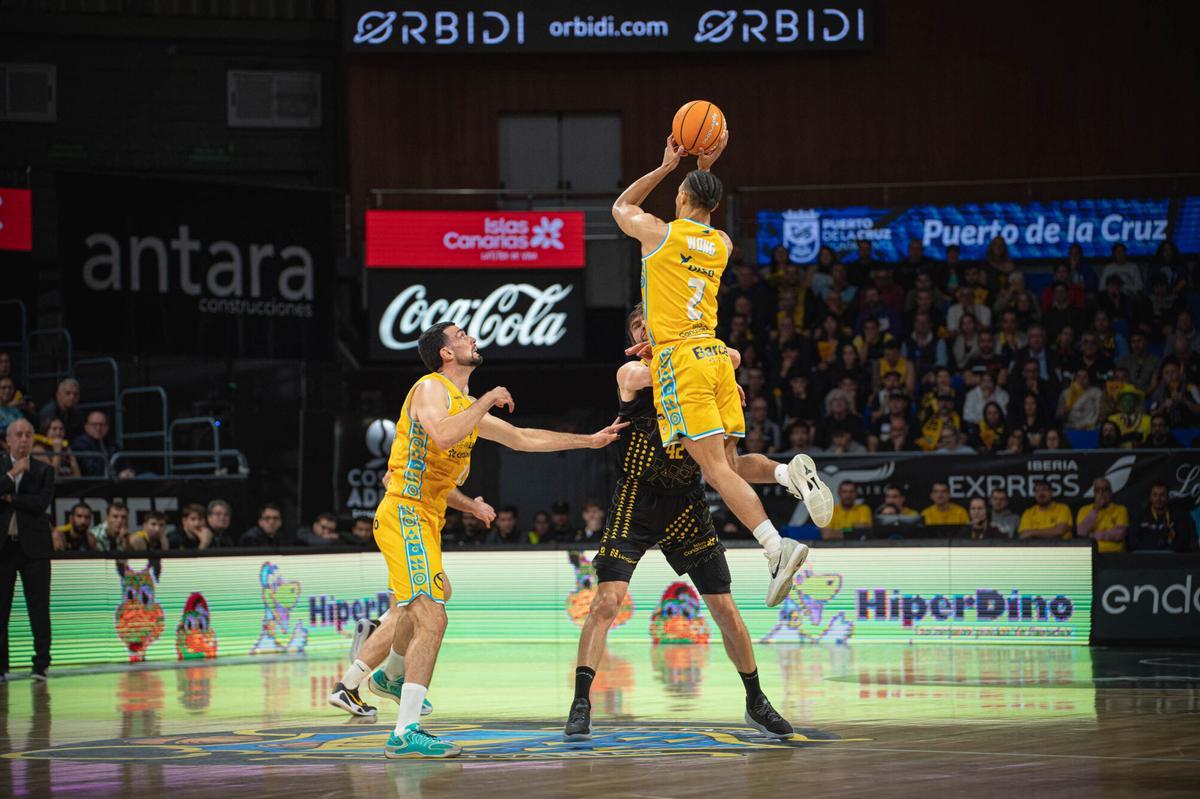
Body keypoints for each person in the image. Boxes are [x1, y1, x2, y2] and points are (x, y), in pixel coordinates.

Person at [363, 321, 626, 758]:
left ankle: (389, 674)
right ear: (446, 353)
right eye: (461, 335)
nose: (471, 338)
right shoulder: (430, 387)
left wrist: (589, 441)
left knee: (427, 602)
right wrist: (486, 398)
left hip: (427, 519)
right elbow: (443, 434)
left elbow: (523, 439)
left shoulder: (465, 406)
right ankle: (403, 730)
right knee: (433, 617)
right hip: (405, 511)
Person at [565, 305, 819, 745]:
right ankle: (581, 702)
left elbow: (732, 357)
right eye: (637, 325)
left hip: (686, 501)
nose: (645, 329)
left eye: (651, 321)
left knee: (725, 608)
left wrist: (716, 370)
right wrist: (714, 368)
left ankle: (755, 700)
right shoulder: (633, 372)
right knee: (606, 602)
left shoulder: (695, 370)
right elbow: (690, 367)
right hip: (636, 497)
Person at [611, 131, 830, 611]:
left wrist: (668, 166)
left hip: (681, 361)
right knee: (729, 465)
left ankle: (777, 547)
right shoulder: (723, 244)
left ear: (683, 197)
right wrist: (706, 168)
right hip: (716, 355)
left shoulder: (659, 234)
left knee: (711, 470)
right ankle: (786, 471)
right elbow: (705, 211)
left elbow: (621, 207)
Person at [0, 419, 55, 680]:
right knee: (1, 609)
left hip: (35, 549)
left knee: (39, 608)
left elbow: (40, 504)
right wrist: (13, 474)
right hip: (3, 549)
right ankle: (1, 666)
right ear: (7, 440)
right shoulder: (1, 466)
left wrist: (10, 498)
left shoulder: (44, 470)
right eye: (18, 435)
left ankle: (41, 664)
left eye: (29, 435)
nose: (24, 440)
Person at [1128, 483, 1196, 552]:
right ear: (1150, 497)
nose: (1158, 498)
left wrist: (1167, 551)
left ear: (1167, 497)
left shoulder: (1179, 515)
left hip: (1172, 557)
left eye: (1162, 495)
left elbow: (1183, 540)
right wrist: (1151, 551)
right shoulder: (1139, 515)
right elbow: (1133, 542)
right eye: (1155, 495)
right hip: (1144, 557)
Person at [71, 410, 134, 478]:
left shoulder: (112, 443)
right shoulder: (81, 444)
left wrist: (129, 472)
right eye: (94, 425)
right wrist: (118, 475)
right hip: (92, 484)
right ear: (86, 427)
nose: (98, 428)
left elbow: (126, 464)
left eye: (102, 425)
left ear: (107, 427)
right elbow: (93, 471)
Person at [1076, 478, 1128, 554]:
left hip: (1114, 553)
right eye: (1097, 490)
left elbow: (1119, 535)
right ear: (1094, 493)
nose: (1101, 493)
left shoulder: (1120, 510)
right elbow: (1081, 532)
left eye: (1104, 489)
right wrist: (1096, 509)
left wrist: (1093, 535)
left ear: (1110, 492)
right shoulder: (1084, 510)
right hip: (1091, 554)